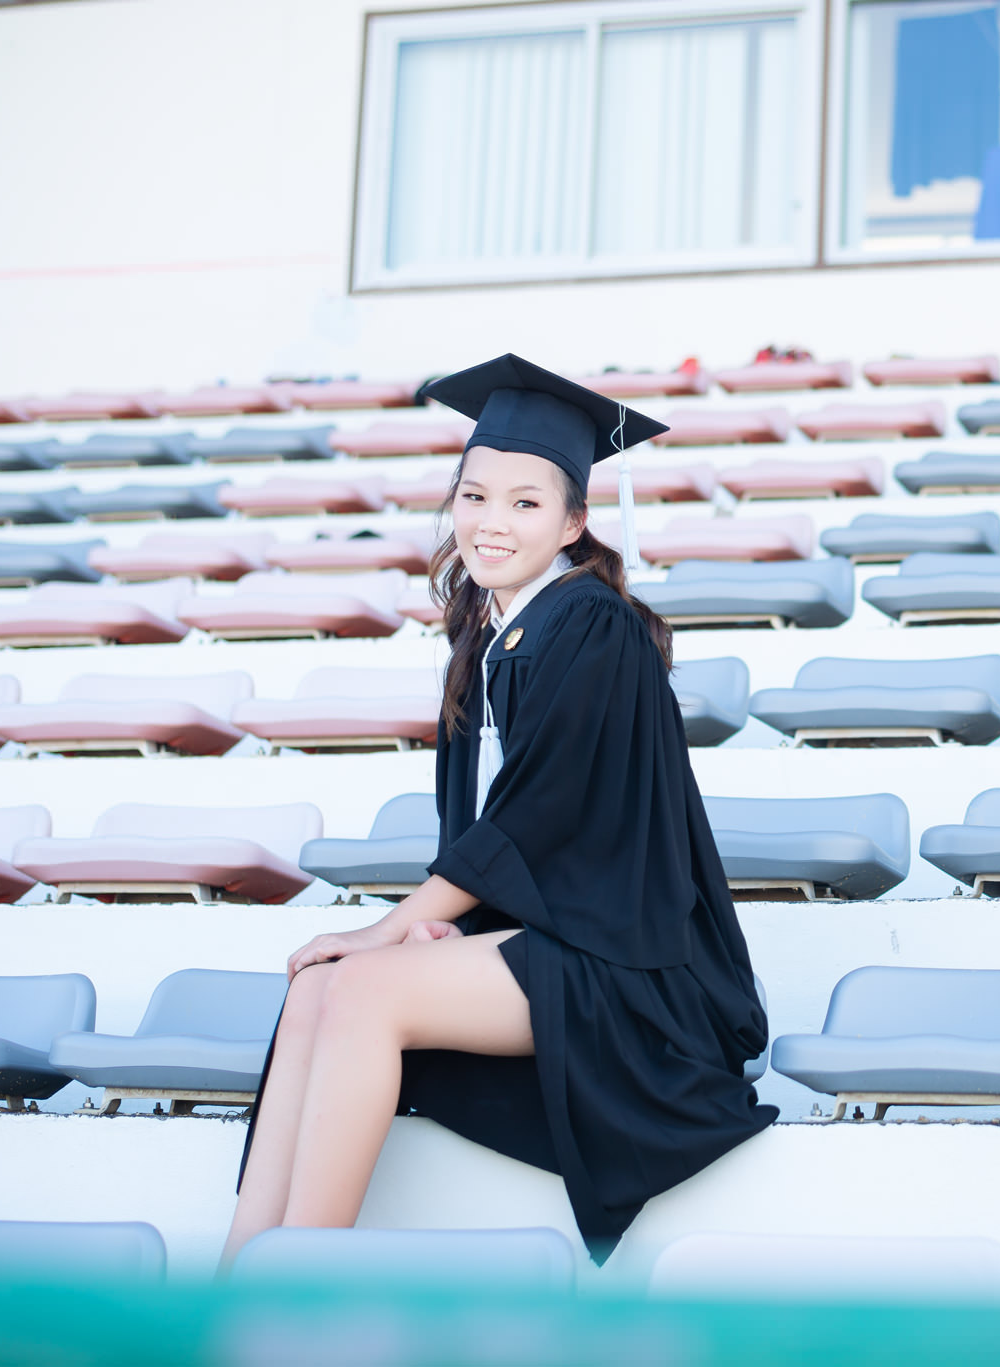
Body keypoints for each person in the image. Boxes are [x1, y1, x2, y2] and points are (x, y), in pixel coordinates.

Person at [220, 355, 775, 1270]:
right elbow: (500, 830)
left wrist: (395, 928)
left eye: (525, 502)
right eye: (475, 497)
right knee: (315, 988)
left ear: (574, 521)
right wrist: (453, 928)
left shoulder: (590, 624)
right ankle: (237, 1278)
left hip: (633, 974)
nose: (490, 522)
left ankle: (296, 1290)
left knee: (357, 980)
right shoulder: (493, 631)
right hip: (555, 946)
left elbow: (542, 815)